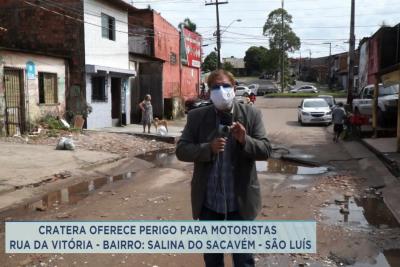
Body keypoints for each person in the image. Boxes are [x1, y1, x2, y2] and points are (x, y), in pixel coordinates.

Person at [176, 69, 271, 267]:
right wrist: (207, 148)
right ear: (209, 92)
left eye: (226, 86)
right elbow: (181, 150)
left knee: (243, 259)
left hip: (240, 204)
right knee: (212, 259)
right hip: (209, 204)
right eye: (216, 87)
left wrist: (245, 139)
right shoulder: (196, 117)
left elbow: (266, 150)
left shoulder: (251, 114)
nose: (221, 90)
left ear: (234, 88)